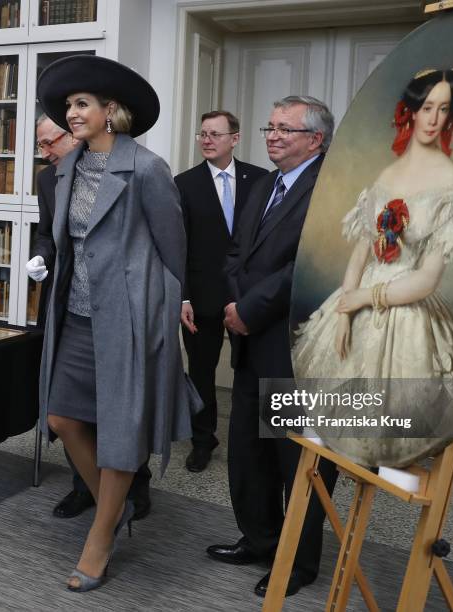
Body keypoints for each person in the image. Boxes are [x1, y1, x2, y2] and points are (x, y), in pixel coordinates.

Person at [36, 55, 199, 592]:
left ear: (111, 111)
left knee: (123, 434)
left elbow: (173, 249)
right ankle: (119, 505)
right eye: (68, 105)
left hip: (130, 318)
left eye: (81, 104)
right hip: (77, 315)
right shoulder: (65, 167)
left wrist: (170, 308)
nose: (71, 113)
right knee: (62, 418)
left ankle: (100, 539)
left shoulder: (147, 168)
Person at [207, 96, 338, 597]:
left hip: (295, 348)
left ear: (316, 139)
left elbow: (309, 265)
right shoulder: (262, 183)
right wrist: (236, 305)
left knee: (296, 462)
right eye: (270, 127)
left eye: (286, 129)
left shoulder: (332, 188)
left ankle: (298, 563)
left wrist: (251, 308)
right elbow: (235, 253)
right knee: (249, 450)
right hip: (249, 342)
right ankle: (259, 539)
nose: (273, 135)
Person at [293, 69, 453, 387]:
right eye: (427, 108)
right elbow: (360, 252)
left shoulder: (449, 177)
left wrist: (366, 297)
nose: (434, 119)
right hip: (356, 298)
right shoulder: (386, 174)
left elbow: (428, 279)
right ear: (412, 111)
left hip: (408, 309)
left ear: (452, 116)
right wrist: (343, 313)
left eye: (444, 108)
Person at [27, 114, 152, 521]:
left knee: (118, 408)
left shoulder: (132, 170)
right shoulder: (49, 179)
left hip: (118, 309)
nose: (44, 153)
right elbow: (48, 233)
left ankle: (136, 487)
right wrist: (41, 257)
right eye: (41, 145)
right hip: (70, 304)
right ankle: (87, 490)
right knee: (67, 409)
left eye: (49, 143)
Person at [175, 111, 268, 472]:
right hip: (200, 298)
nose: (207, 140)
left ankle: (257, 442)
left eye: (215, 134)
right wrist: (182, 297)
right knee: (201, 372)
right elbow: (177, 246)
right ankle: (203, 440)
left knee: (255, 369)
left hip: (250, 296)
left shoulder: (261, 181)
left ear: (235, 137)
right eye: (202, 134)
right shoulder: (183, 184)